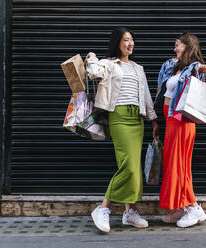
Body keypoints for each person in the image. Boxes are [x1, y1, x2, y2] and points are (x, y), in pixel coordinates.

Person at [85, 27, 159, 233]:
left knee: (134, 167)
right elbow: (92, 73)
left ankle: (130, 212)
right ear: (118, 43)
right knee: (129, 167)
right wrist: (92, 57)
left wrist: (153, 121)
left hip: (138, 120)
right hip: (119, 117)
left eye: (132, 39)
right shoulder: (109, 64)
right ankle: (102, 208)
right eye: (126, 40)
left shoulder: (138, 68)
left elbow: (146, 97)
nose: (130, 43)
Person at [154, 32, 206, 228]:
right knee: (174, 165)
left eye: (178, 45)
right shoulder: (174, 67)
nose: (175, 48)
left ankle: (193, 207)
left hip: (181, 122)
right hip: (170, 121)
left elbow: (200, 70)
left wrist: (197, 66)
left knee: (180, 166)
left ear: (187, 47)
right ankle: (180, 207)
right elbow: (162, 89)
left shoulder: (194, 68)